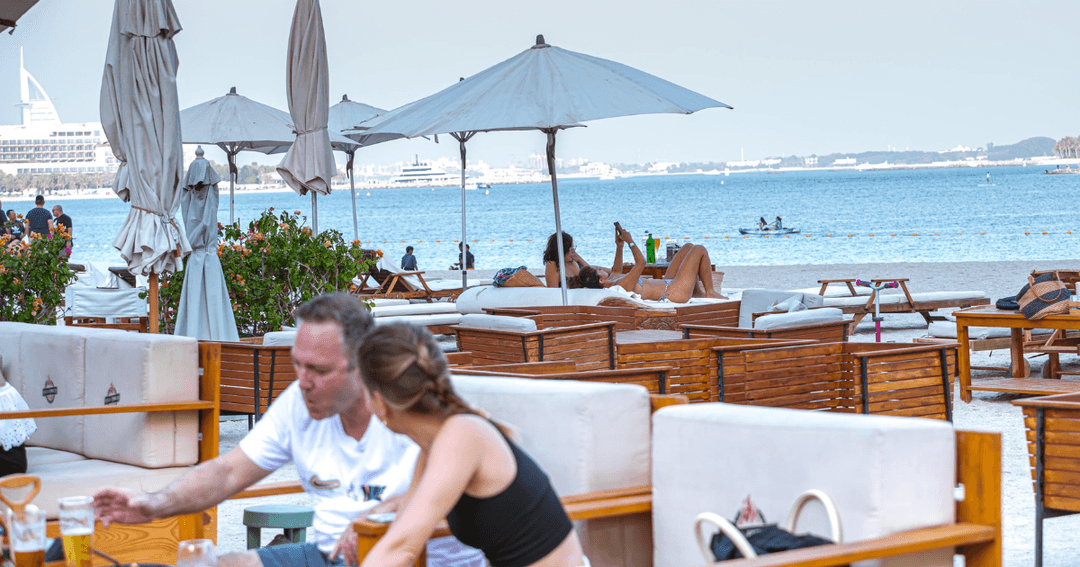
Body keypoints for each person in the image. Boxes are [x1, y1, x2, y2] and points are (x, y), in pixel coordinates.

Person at [93, 293, 482, 567]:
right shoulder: (301, 400)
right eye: (298, 365)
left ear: (362, 365)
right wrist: (153, 504)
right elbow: (229, 470)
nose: (304, 381)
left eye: (319, 370)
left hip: (416, 557)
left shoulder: (412, 404)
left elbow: (459, 486)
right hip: (327, 555)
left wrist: (374, 518)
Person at [355, 323, 586, 567]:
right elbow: (400, 539)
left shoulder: (463, 435)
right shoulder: (434, 448)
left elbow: (401, 549)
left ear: (379, 401)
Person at [568, 224, 725, 303]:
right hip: (675, 292)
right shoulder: (622, 284)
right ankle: (710, 291)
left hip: (668, 283)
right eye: (599, 269)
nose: (602, 268)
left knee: (687, 248)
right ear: (601, 280)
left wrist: (619, 245)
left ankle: (697, 292)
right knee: (699, 249)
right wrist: (630, 241)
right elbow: (641, 262)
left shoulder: (613, 281)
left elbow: (617, 268)